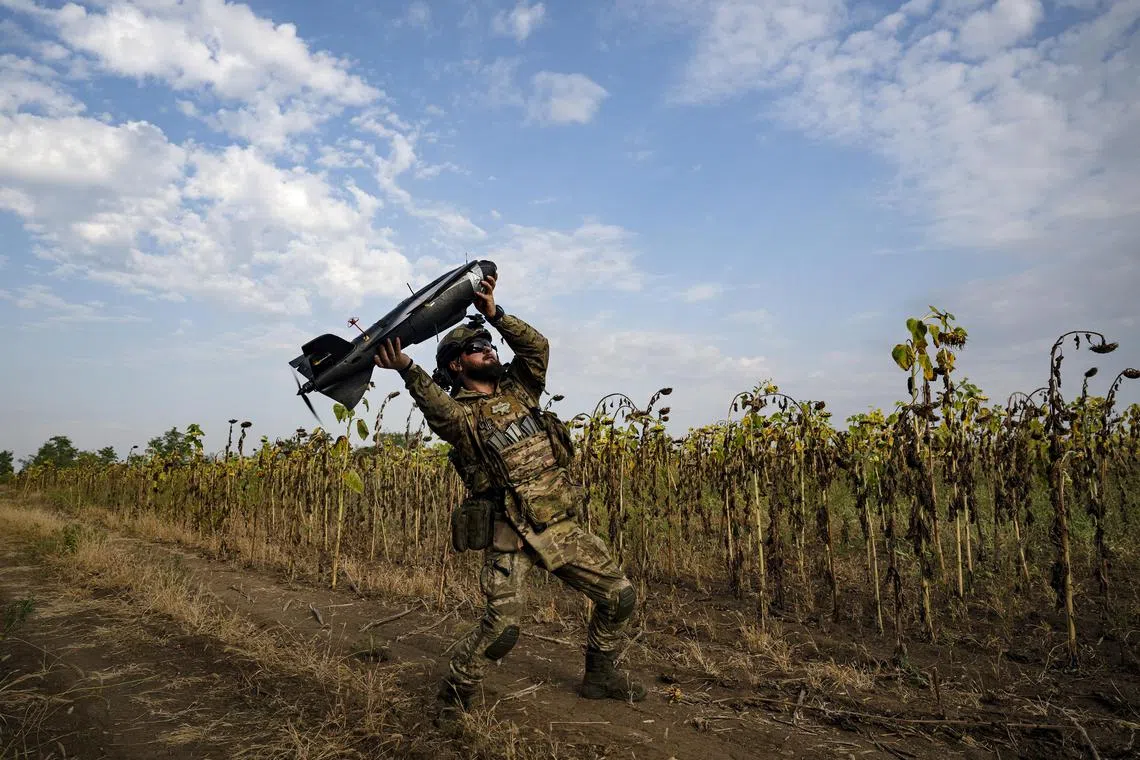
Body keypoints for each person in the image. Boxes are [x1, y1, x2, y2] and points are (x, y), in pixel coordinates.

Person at [372, 270, 646, 720]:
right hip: (509, 532)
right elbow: (434, 407)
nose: (488, 350)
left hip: (557, 525)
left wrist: (495, 315)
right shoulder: (460, 416)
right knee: (503, 629)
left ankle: (600, 676)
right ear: (457, 365)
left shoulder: (521, 390)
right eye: (476, 348)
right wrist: (405, 367)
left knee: (619, 597)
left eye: (489, 346)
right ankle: (456, 694)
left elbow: (538, 348)